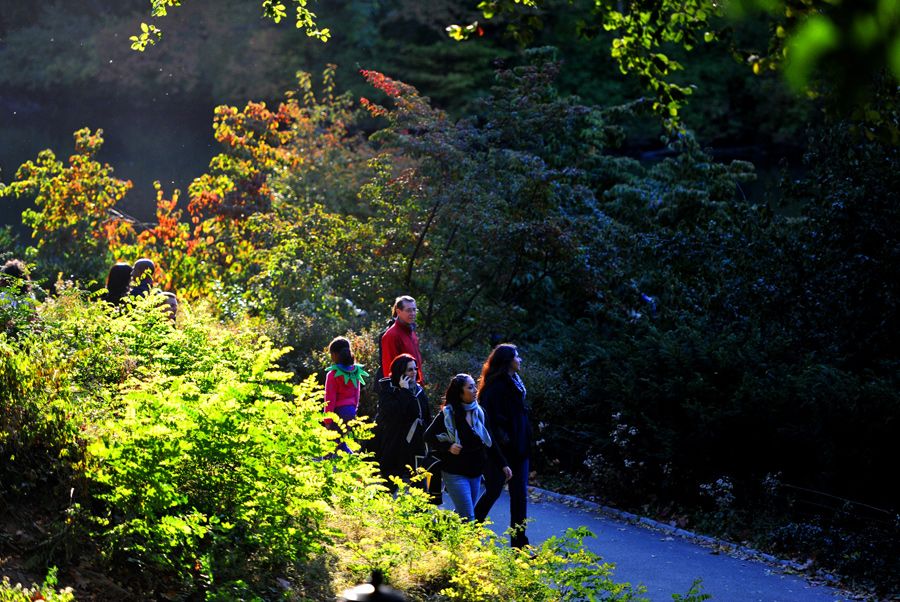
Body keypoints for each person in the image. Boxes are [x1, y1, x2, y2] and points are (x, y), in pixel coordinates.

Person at [425, 373, 511, 521]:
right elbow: (428, 436)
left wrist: (503, 465)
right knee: (468, 517)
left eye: (474, 386)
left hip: (476, 472)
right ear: (460, 392)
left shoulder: (480, 412)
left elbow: (490, 442)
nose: (475, 390)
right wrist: (448, 446)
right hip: (454, 472)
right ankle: (466, 544)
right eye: (470, 387)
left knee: (462, 513)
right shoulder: (448, 414)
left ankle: (435, 530)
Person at [474, 343, 533, 547]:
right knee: (493, 491)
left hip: (520, 448)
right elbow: (493, 422)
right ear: (507, 361)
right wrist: (505, 445)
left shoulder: (516, 382)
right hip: (502, 451)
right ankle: (468, 530)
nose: (520, 360)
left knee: (519, 497)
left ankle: (519, 544)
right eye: (517, 357)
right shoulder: (495, 387)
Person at [375, 353, 431, 491]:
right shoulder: (388, 390)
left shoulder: (419, 391)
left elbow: (426, 415)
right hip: (395, 445)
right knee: (389, 486)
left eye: (415, 368)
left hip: (416, 445)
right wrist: (404, 391)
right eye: (409, 369)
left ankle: (419, 512)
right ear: (400, 371)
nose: (413, 372)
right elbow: (391, 414)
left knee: (420, 486)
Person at [324, 337, 369, 453]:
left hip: (338, 413)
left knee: (334, 444)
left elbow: (329, 399)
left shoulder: (332, 374)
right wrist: (354, 411)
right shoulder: (355, 372)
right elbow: (357, 394)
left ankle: (352, 461)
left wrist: (328, 421)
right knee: (341, 441)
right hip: (350, 412)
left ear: (334, 354)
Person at [380, 295, 423, 385]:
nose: (412, 313)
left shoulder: (411, 332)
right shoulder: (391, 335)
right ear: (398, 312)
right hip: (401, 390)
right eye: (408, 310)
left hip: (415, 386)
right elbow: (389, 368)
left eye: (414, 310)